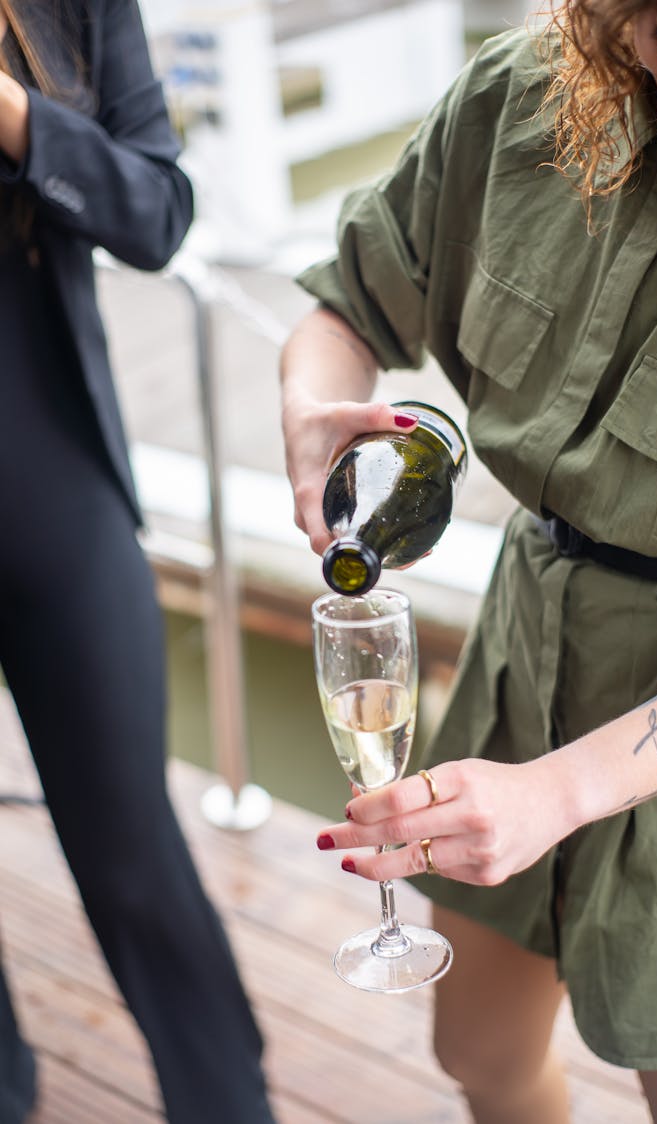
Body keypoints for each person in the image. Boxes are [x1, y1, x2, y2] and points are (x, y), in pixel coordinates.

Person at [280, 2, 657, 1121]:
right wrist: (313, 410)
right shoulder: (520, 94)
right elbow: (347, 297)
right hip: (521, 649)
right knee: (479, 1050)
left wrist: (560, 791)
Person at [0, 1, 275, 1121]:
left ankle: (226, 1099)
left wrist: (17, 119)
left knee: (130, 842)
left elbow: (159, 210)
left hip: (48, 466)